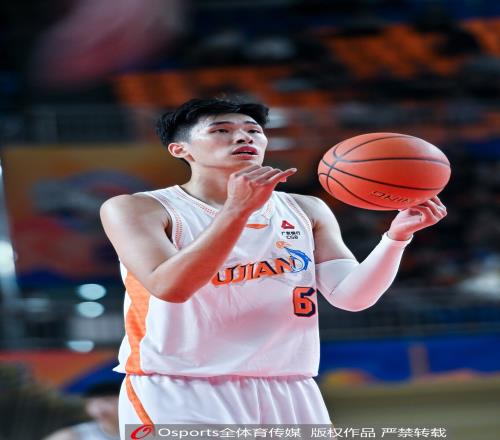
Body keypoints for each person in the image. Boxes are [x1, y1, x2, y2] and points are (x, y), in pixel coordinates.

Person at [99, 98, 447, 435]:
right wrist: (237, 211)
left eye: (253, 131)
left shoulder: (306, 208)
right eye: (221, 130)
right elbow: (170, 287)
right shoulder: (137, 208)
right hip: (180, 387)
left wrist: (395, 239)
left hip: (289, 385)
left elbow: (351, 297)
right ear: (181, 149)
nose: (243, 137)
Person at [43, 382, 120, 440]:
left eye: (107, 401)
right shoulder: (75, 434)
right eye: (92, 402)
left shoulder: (127, 429)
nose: (99, 409)